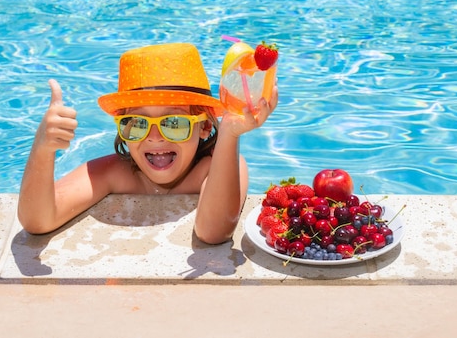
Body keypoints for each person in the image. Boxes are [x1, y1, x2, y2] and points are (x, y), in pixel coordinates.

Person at [18, 42, 278, 244]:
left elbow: (213, 233)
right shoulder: (113, 172)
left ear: (205, 126)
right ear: (123, 127)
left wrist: (230, 135)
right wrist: (42, 148)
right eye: (138, 123)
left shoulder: (217, 169)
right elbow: (38, 220)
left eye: (174, 123)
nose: (155, 137)